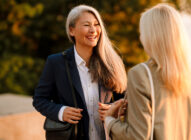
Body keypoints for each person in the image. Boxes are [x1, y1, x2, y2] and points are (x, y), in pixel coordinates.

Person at [104, 4, 191, 140]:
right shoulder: (188, 75)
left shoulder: (140, 74)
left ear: (151, 36)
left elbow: (136, 136)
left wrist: (109, 120)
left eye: (142, 32)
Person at [33, 5, 127, 140]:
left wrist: (114, 109)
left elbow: (124, 101)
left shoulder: (111, 62)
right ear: (72, 30)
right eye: (87, 25)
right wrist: (61, 111)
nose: (93, 30)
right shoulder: (56, 62)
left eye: (96, 24)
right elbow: (39, 100)